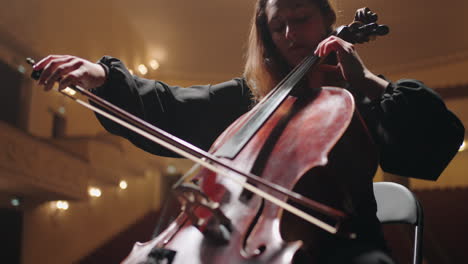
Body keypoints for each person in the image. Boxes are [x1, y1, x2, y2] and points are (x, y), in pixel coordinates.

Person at [33, 0, 464, 263]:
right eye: (279, 26)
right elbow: (173, 105)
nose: (292, 34)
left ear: (326, 21)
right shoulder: (253, 98)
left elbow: (435, 139)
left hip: (338, 247)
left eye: (302, 18)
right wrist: (102, 78)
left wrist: (366, 79)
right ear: (267, 34)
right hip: (245, 245)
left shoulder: (352, 99)